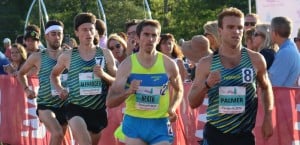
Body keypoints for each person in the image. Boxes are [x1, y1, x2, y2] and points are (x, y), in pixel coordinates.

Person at [187, 7, 274, 145]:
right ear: (220, 31)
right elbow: (192, 102)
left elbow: (266, 87)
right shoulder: (207, 63)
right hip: (216, 134)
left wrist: (268, 117)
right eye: (231, 27)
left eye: (240, 27)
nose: (237, 31)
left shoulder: (256, 59)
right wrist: (207, 85)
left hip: (244, 135)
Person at [106, 19, 183, 145]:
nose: (150, 39)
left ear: (158, 39)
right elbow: (110, 101)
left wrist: (172, 108)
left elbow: (179, 90)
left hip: (159, 123)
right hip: (134, 123)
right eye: (146, 34)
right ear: (137, 37)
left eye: (154, 35)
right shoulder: (127, 65)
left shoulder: (168, 64)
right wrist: (128, 91)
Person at [50, 12, 116, 145]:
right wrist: (60, 89)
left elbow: (117, 80)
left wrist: (103, 75)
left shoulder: (105, 54)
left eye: (91, 29)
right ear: (76, 32)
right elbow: (54, 75)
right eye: (84, 30)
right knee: (84, 140)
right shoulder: (68, 56)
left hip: (98, 109)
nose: (88, 33)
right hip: (75, 107)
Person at [17, 20, 68, 145]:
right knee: (57, 133)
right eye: (53, 34)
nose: (57, 37)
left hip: (65, 104)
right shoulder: (38, 56)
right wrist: (27, 89)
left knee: (59, 139)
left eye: (59, 34)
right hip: (45, 104)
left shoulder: (69, 54)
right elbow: (20, 73)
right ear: (46, 36)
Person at [268, 16, 300, 87]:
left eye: (269, 30)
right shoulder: (289, 48)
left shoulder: (285, 52)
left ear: (274, 33)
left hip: (282, 97)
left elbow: (272, 84)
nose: (269, 33)